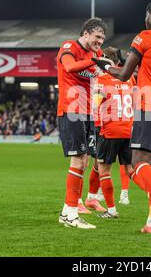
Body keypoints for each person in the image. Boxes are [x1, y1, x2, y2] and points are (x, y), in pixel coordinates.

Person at [93, 0, 151, 238]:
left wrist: (105, 67)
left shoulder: (144, 36)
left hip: (150, 105)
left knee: (138, 163)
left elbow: (123, 74)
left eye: (146, 14)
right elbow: (150, 66)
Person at [57, 17, 107, 229]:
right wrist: (95, 62)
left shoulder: (96, 54)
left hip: (87, 112)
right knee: (78, 161)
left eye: (102, 38)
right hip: (72, 109)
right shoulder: (70, 46)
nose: (100, 42)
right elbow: (69, 67)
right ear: (85, 33)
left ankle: (67, 212)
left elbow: (104, 73)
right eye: (97, 37)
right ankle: (70, 214)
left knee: (84, 162)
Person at [92, 47, 136, 218]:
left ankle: (111, 210)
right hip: (128, 129)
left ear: (104, 61)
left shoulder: (102, 79)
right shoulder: (129, 79)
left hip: (110, 130)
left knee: (104, 169)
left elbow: (96, 104)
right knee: (132, 170)